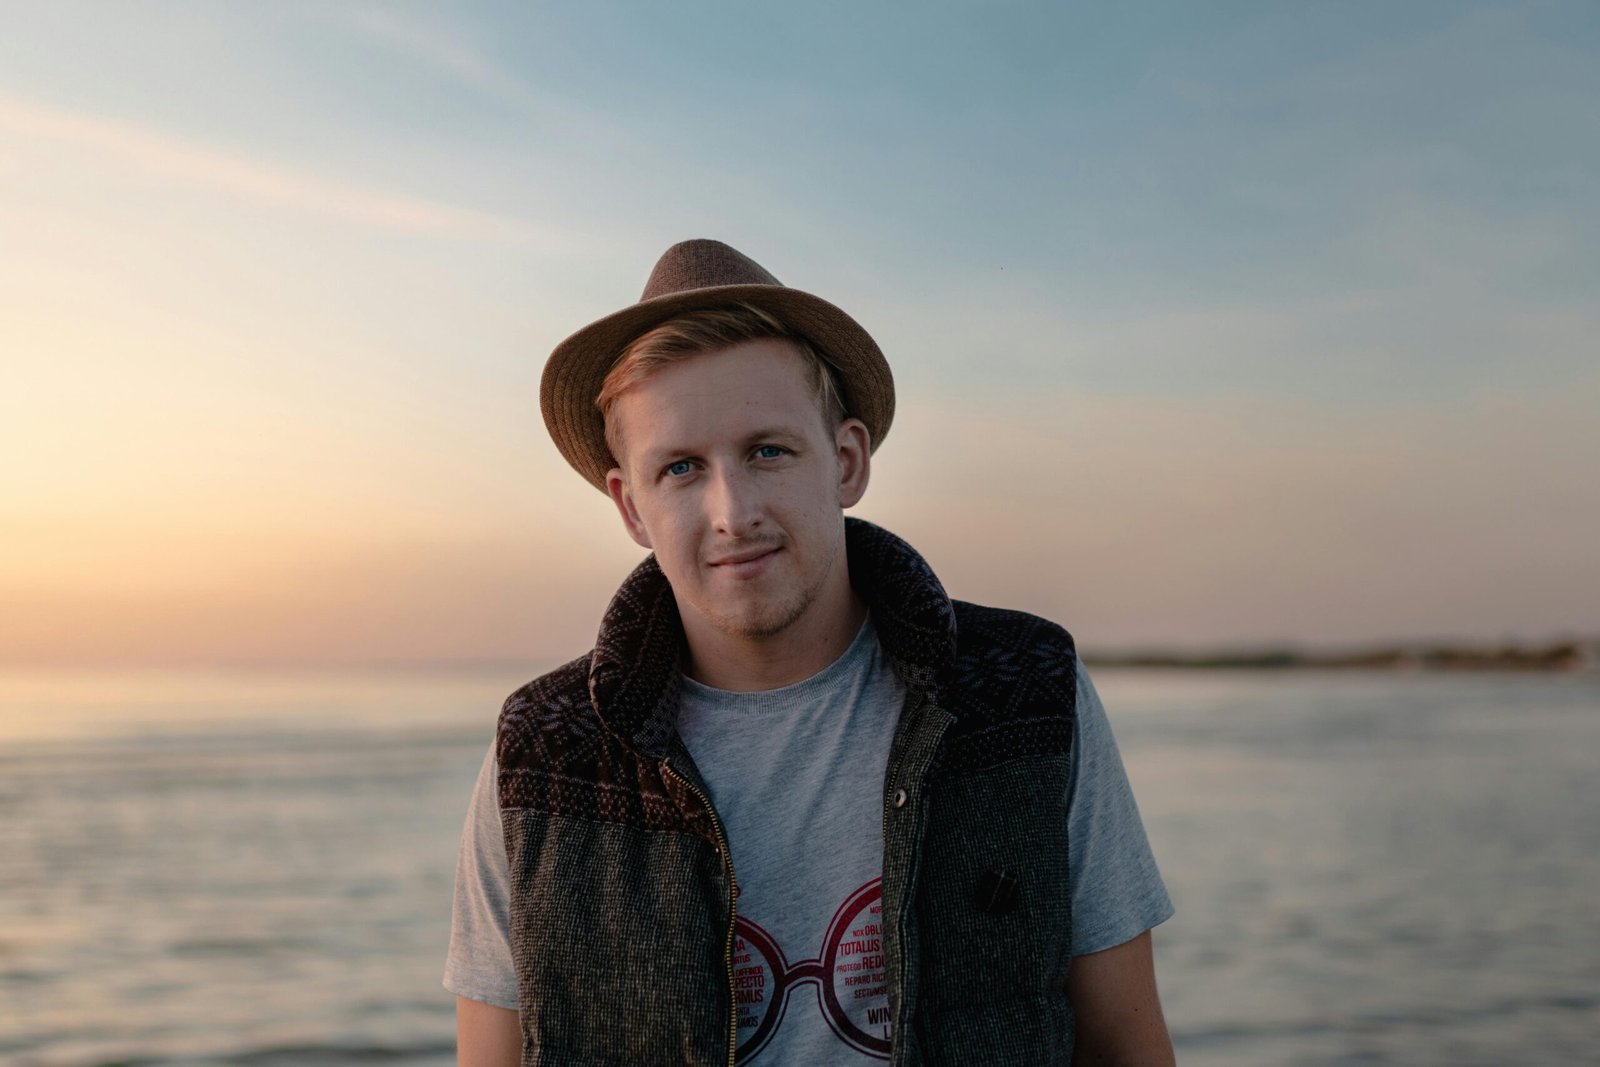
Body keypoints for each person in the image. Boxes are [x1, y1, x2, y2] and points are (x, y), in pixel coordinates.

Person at [444, 239, 1175, 1066]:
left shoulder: (1026, 693)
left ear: (847, 460)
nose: (732, 510)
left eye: (767, 450)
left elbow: (1125, 1043)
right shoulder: (544, 753)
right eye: (681, 467)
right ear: (631, 507)